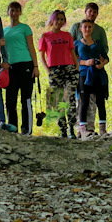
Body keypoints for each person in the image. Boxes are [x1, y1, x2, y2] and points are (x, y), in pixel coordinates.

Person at [37, 10, 79, 138]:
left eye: (62, 19)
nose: (60, 22)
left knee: (71, 99)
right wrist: (48, 71)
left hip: (69, 69)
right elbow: (42, 56)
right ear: (52, 20)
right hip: (55, 70)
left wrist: (76, 66)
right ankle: (63, 130)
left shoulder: (67, 35)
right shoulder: (45, 36)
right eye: (58, 19)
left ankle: (72, 129)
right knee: (57, 100)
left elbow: (72, 52)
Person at [70, 2, 109, 134]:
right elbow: (72, 58)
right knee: (83, 101)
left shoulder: (98, 40)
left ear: (93, 28)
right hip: (82, 74)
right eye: (85, 27)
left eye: (89, 27)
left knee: (99, 101)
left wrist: (102, 63)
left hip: (97, 74)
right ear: (81, 29)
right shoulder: (76, 41)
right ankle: (81, 129)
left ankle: (99, 128)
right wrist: (85, 63)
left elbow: (106, 55)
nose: (87, 29)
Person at [3, 1, 39, 134]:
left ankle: (26, 130)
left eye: (17, 10)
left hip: (26, 65)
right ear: (8, 12)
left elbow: (31, 47)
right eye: (12, 10)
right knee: (10, 101)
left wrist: (36, 66)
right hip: (10, 68)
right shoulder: (4, 31)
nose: (14, 13)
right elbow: (2, 49)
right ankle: (12, 129)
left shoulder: (25, 28)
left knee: (26, 99)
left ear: (20, 12)